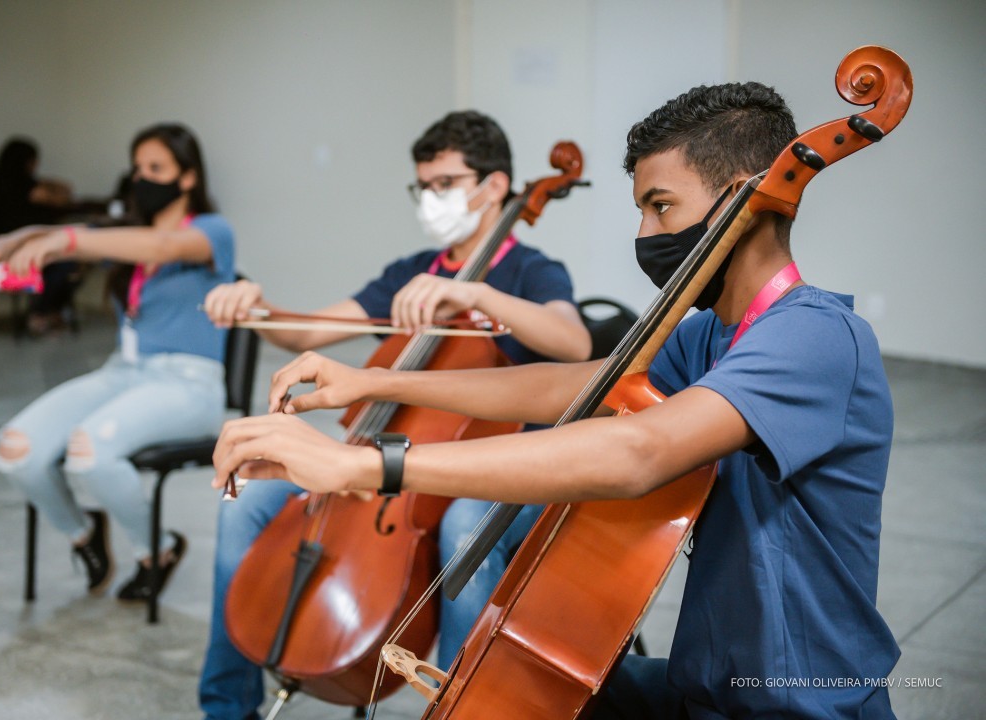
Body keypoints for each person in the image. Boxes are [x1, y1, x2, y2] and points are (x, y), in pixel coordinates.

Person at [213, 83, 900, 719]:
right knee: (495, 688)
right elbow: (573, 383)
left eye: (661, 206)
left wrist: (370, 467)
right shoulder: (709, 336)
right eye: (640, 210)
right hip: (708, 679)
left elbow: (639, 451)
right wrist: (377, 381)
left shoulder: (814, 335)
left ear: (745, 197)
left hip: (800, 699)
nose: (645, 234)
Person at [198, 110, 591, 719]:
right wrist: (257, 305)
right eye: (423, 186)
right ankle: (226, 706)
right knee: (250, 499)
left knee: (463, 525)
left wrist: (477, 294)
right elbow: (307, 330)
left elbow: (575, 344)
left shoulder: (530, 270)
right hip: (391, 464)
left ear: (493, 187)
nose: (431, 200)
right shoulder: (414, 274)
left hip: (508, 477)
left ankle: (463, 709)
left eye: (445, 185)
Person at [0, 123, 235, 602]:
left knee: (89, 451)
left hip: (190, 385)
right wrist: (0, 244)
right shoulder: (125, 236)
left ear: (188, 178)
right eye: (137, 168)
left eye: (156, 168)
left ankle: (158, 550)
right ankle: (84, 534)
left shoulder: (212, 232)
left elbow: (162, 247)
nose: (141, 177)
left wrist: (70, 243)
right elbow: (49, 229)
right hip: (123, 374)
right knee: (16, 450)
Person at [0, 137, 82, 335]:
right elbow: (64, 195)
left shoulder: (5, 187)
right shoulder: (28, 189)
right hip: (20, 250)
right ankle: (40, 312)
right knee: (67, 263)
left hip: (27, 245)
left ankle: (50, 310)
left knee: (71, 261)